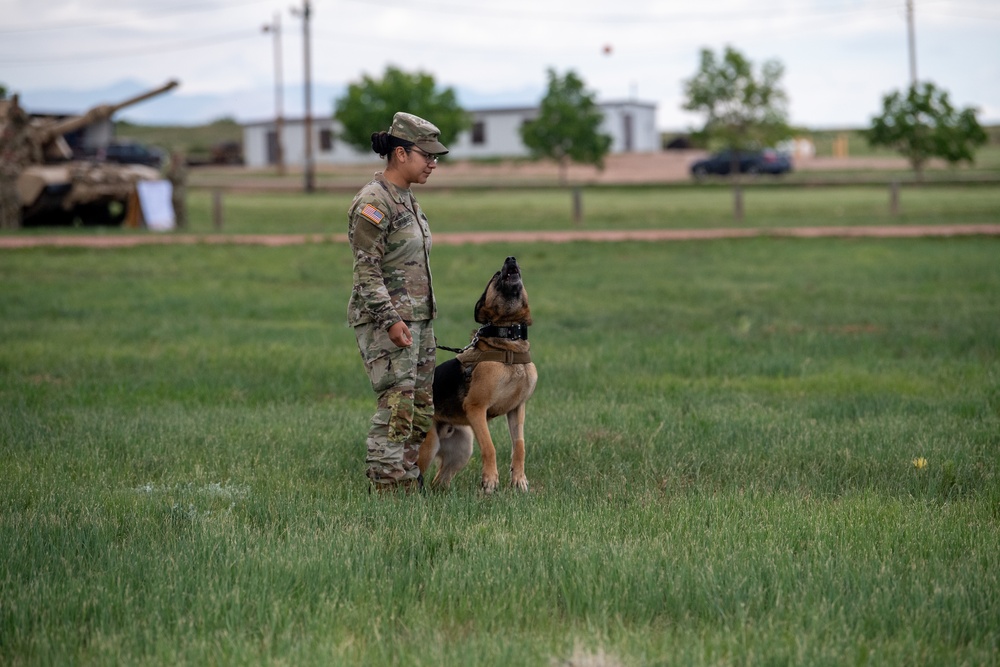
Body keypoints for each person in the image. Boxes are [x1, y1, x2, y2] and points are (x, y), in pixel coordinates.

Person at [347, 112, 448, 492]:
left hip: (418, 321)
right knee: (398, 408)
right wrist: (390, 320)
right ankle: (388, 493)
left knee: (421, 409)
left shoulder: (407, 199)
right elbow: (366, 271)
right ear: (401, 154)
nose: (434, 164)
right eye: (428, 156)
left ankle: (407, 484)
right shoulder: (373, 203)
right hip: (386, 322)